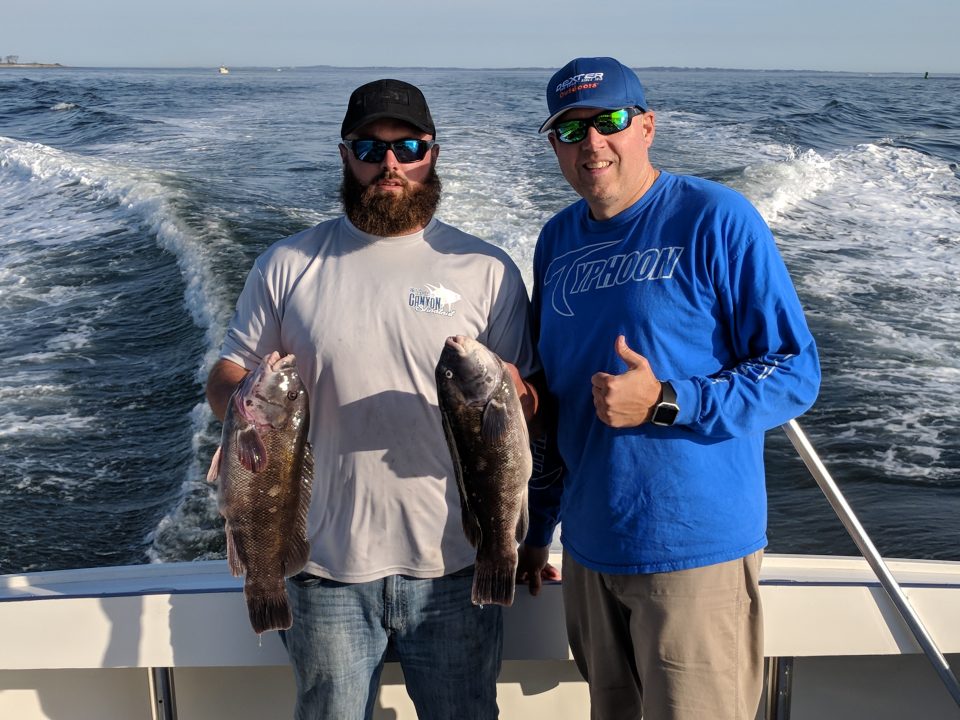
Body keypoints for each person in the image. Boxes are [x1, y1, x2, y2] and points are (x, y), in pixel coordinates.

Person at [206, 78, 538, 720]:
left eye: (409, 146)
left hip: (456, 563)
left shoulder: (487, 268)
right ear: (344, 155)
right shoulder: (286, 264)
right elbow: (226, 375)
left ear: (432, 155)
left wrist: (521, 399)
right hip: (322, 569)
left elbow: (529, 410)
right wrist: (244, 403)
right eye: (371, 146)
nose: (391, 163)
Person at [516, 57, 821, 720]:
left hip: (691, 556)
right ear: (555, 147)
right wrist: (537, 530)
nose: (592, 142)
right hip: (589, 554)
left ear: (647, 126)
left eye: (610, 121)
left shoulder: (716, 219)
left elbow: (796, 371)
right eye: (571, 130)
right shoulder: (556, 240)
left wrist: (665, 399)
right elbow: (557, 402)